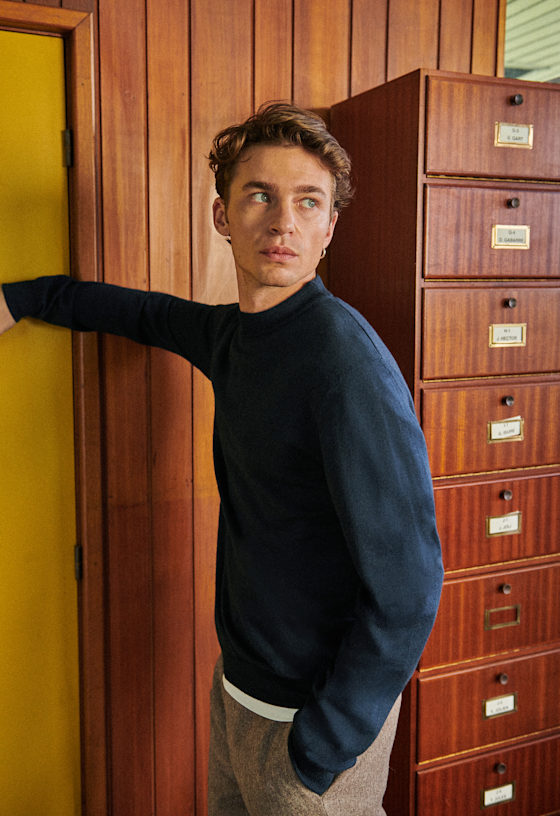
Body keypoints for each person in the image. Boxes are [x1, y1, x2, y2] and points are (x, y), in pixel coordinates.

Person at [0, 103, 443, 815]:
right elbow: (139, 313)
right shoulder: (233, 337)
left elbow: (411, 586)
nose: (283, 221)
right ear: (222, 215)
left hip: (312, 730)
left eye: (308, 202)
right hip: (239, 693)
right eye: (259, 195)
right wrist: (22, 298)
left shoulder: (343, 363)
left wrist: (322, 749)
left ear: (330, 227)